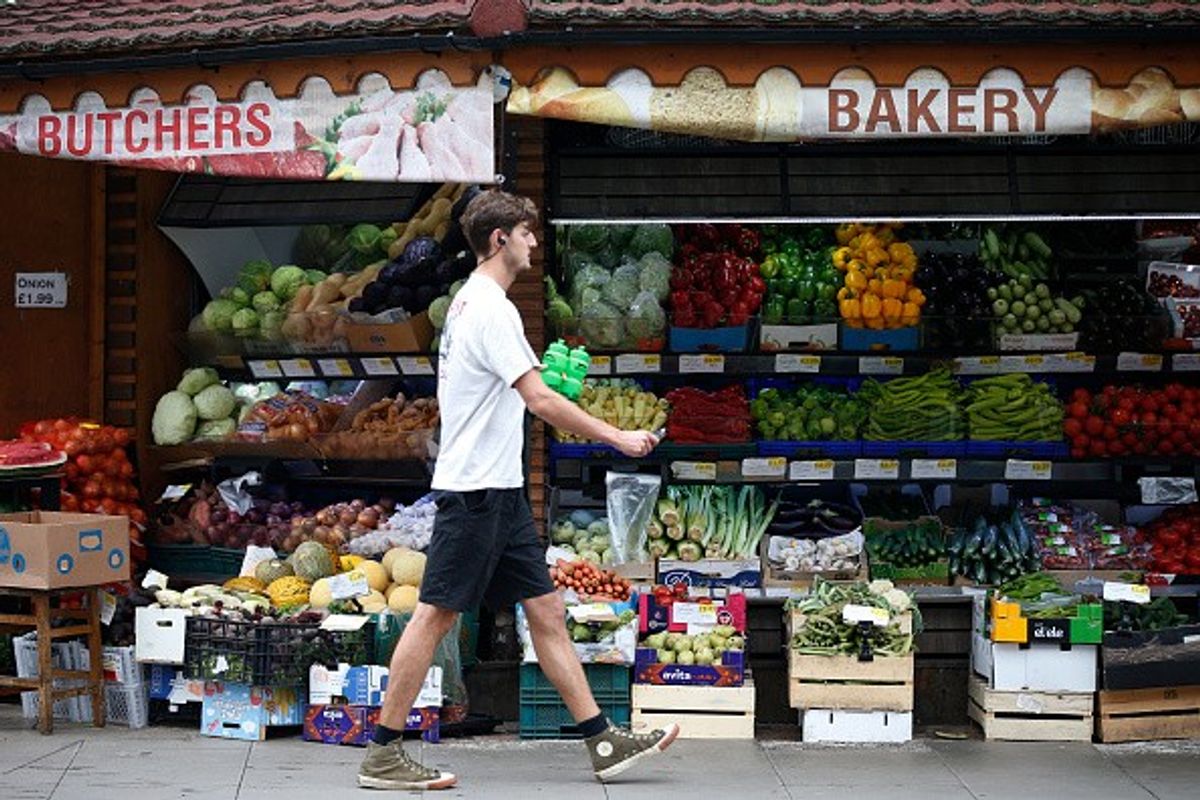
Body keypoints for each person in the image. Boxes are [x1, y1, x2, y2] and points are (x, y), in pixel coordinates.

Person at [358, 190, 679, 791]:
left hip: (499, 493)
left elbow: (512, 392)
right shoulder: (489, 307)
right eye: (526, 233)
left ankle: (602, 740)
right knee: (432, 617)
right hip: (475, 492)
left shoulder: (473, 303)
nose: (535, 242)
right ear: (499, 238)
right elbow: (540, 398)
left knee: (548, 611)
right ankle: (382, 753)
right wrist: (616, 437)